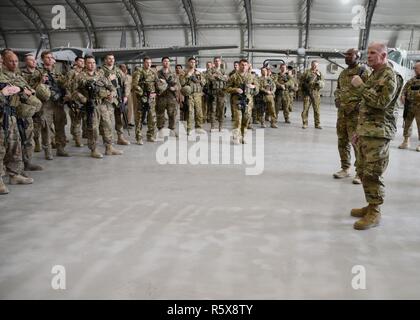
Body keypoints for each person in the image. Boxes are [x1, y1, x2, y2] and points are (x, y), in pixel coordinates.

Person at [349, 42, 403, 230]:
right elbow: (365, 108)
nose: (369, 56)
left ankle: (375, 212)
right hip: (368, 130)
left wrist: (361, 86)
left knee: (373, 172)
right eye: (368, 52)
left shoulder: (390, 76)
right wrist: (358, 130)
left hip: (379, 132)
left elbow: (381, 103)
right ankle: (370, 204)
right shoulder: (375, 75)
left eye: (373, 53)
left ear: (383, 55)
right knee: (363, 170)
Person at [72, 55, 123, 158]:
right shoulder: (80, 76)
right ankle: (93, 149)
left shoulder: (100, 74)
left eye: (94, 63)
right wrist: (84, 99)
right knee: (93, 128)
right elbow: (74, 91)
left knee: (107, 126)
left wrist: (112, 93)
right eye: (89, 63)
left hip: (103, 105)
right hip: (91, 106)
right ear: (85, 64)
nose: (92, 65)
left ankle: (109, 148)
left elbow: (110, 86)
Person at [333, 49, 370, 184]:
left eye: (350, 55)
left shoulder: (364, 71)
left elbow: (368, 91)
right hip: (342, 113)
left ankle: (360, 173)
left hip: (355, 115)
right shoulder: (343, 73)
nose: (347, 57)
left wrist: (359, 105)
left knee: (357, 143)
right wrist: (336, 98)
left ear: (357, 56)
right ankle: (345, 168)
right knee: (342, 142)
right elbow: (338, 89)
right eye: (346, 55)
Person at [30, 50, 69, 159]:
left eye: (51, 57)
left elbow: (64, 85)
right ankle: (48, 152)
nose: (50, 59)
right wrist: (41, 82)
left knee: (60, 126)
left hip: (58, 104)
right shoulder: (38, 72)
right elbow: (32, 89)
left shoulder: (57, 72)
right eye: (47, 57)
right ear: (42, 59)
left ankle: (60, 148)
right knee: (46, 128)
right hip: (46, 105)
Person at [99, 54, 131, 145]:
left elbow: (126, 83)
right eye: (109, 59)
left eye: (113, 59)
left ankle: (120, 137)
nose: (111, 60)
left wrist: (126, 95)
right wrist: (107, 94)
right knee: (108, 121)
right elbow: (99, 85)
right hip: (108, 99)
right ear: (105, 60)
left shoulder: (118, 70)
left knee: (119, 118)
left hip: (119, 98)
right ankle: (108, 141)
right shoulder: (101, 71)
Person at [226, 59, 259, 144]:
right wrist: (235, 89)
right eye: (242, 65)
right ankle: (236, 137)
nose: (244, 66)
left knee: (246, 119)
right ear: (239, 65)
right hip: (237, 101)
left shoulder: (251, 76)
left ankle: (243, 136)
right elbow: (227, 88)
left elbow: (257, 89)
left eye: (245, 65)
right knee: (238, 119)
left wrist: (253, 86)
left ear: (248, 66)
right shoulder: (234, 76)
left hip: (248, 102)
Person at [132, 56, 161, 144]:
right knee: (140, 118)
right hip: (141, 98)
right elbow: (134, 85)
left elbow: (157, 84)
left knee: (152, 117)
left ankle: (150, 135)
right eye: (146, 62)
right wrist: (142, 93)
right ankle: (139, 137)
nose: (148, 64)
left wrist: (157, 91)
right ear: (143, 63)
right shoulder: (139, 72)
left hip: (151, 98)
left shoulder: (153, 72)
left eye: (150, 63)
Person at [179, 57, 206, 135]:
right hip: (189, 95)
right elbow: (182, 83)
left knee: (199, 112)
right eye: (191, 62)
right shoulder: (184, 72)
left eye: (194, 62)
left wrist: (198, 79)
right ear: (188, 63)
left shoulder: (199, 73)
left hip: (198, 95)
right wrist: (188, 75)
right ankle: (189, 129)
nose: (192, 63)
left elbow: (204, 83)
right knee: (189, 112)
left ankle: (199, 127)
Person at [398, 61, 420, 152]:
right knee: (407, 124)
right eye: (414, 68)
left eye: (416, 68)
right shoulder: (412, 80)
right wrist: (403, 96)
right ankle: (406, 141)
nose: (414, 70)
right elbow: (404, 89)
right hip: (409, 106)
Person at [156, 56, 180, 138]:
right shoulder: (158, 74)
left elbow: (178, 85)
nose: (166, 62)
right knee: (160, 114)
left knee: (172, 114)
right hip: (161, 97)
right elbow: (155, 84)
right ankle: (160, 130)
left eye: (167, 61)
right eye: (164, 61)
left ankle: (171, 129)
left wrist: (175, 88)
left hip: (171, 97)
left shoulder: (173, 74)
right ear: (162, 63)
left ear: (169, 63)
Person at [65, 56, 85, 147]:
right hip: (75, 99)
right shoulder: (72, 73)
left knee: (79, 119)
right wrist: (70, 98)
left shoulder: (84, 73)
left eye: (83, 61)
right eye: (80, 61)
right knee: (76, 120)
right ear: (76, 62)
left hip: (83, 99)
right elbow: (67, 86)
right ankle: (77, 140)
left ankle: (75, 134)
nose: (82, 63)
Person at [300, 60, 324, 129]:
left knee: (317, 110)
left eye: (316, 65)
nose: (314, 66)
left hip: (315, 93)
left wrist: (319, 79)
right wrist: (303, 90)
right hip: (307, 93)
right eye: (313, 65)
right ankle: (305, 123)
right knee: (305, 109)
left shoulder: (319, 73)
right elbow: (301, 81)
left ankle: (317, 124)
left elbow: (322, 83)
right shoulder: (306, 72)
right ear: (311, 65)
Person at [207, 56, 228, 131]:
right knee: (213, 110)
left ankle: (220, 126)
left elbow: (226, 79)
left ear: (220, 62)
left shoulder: (223, 70)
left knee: (221, 110)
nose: (217, 62)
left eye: (218, 61)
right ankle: (213, 126)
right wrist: (221, 77)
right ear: (214, 62)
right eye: (215, 61)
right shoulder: (210, 70)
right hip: (213, 92)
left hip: (221, 92)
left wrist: (217, 76)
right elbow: (210, 78)